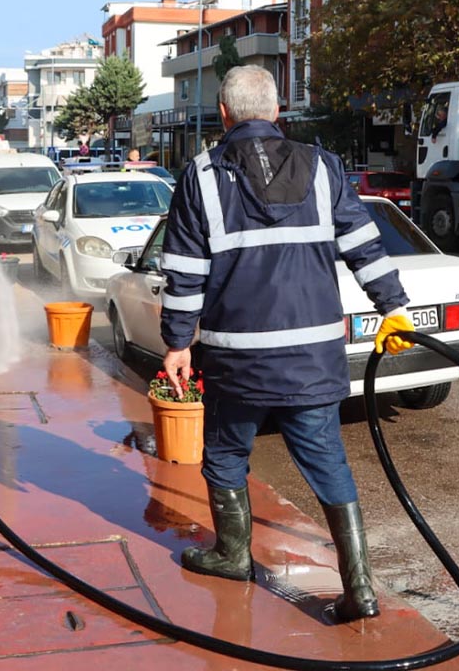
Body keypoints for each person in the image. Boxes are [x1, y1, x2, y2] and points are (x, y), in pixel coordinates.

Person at [159, 65, 416, 622]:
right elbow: (365, 247)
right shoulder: (325, 168)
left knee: (225, 456)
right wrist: (394, 310)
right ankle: (360, 588)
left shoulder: (201, 175)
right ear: (279, 112)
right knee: (327, 462)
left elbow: (183, 272)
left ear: (224, 114)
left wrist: (177, 344)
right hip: (312, 357)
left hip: (238, 361)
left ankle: (232, 556)